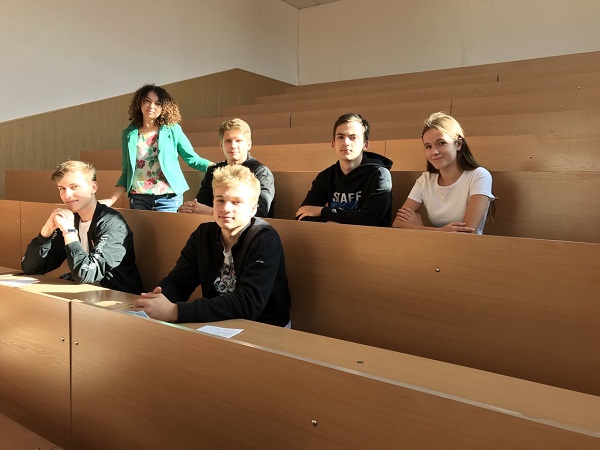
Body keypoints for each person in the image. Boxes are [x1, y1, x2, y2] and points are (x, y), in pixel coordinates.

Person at [133, 165, 291, 327]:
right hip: (217, 322)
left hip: (264, 326)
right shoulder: (203, 234)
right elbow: (179, 281)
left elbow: (248, 302)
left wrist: (175, 311)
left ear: (253, 209)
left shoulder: (264, 239)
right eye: (220, 200)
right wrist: (157, 299)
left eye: (236, 202)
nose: (226, 208)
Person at [21, 161, 144, 294]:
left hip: (118, 297)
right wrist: (47, 230)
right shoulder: (72, 220)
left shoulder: (112, 224)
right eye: (62, 188)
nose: (67, 195)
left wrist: (69, 232)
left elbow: (86, 274)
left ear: (93, 187)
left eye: (74, 187)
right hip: (86, 294)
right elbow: (31, 268)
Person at [100, 84, 212, 212]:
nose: (151, 106)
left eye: (157, 103)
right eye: (147, 101)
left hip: (168, 198)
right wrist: (111, 200)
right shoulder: (129, 134)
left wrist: (219, 167)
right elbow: (127, 172)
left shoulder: (172, 129)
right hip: (138, 198)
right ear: (139, 103)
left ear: (164, 107)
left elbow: (193, 160)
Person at [392, 112, 495, 234]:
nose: (434, 152)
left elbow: (467, 233)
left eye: (441, 143)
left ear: (458, 144)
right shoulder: (425, 180)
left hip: (467, 245)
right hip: (433, 244)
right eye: (428, 146)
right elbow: (397, 224)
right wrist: (440, 231)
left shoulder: (479, 176)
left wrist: (419, 228)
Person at [295, 113, 393, 226]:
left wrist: (324, 211)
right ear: (333, 144)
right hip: (333, 236)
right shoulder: (326, 176)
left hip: (369, 237)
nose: (346, 143)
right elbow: (302, 215)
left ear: (365, 145)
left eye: (353, 137)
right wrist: (334, 222)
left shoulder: (380, 175)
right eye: (340, 137)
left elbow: (369, 219)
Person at [178, 118, 275, 217]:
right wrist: (190, 208)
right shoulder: (213, 170)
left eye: (238, 141)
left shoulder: (261, 172)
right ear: (221, 145)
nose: (233, 146)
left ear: (249, 145)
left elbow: (260, 212)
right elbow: (201, 204)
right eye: (228, 141)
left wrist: (212, 212)